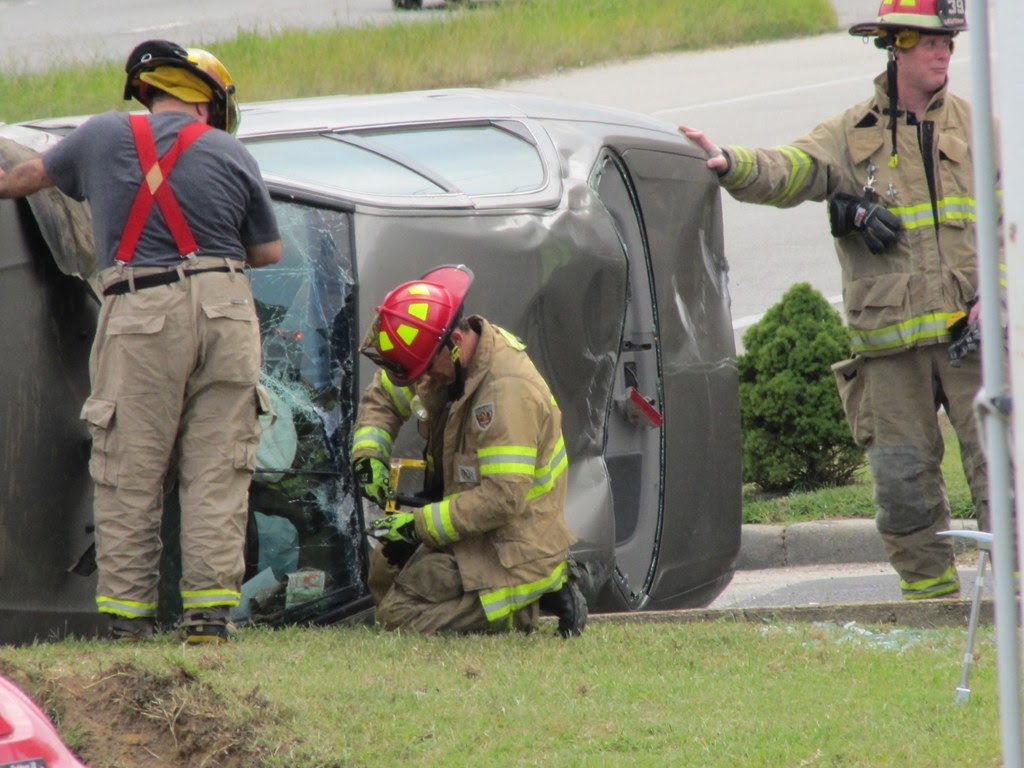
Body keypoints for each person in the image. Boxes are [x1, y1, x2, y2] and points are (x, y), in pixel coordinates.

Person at [681, 0, 991, 600]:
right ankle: (930, 602)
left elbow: (1010, 218)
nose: (942, 53)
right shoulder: (851, 136)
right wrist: (730, 163)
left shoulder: (978, 130)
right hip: (890, 348)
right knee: (902, 484)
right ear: (895, 46)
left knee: (1002, 471)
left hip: (969, 339)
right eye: (929, 42)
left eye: (948, 43)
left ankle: (1017, 600)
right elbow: (791, 168)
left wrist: (998, 299)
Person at [0, 40, 282, 641]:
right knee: (217, 467)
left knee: (130, 468)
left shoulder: (100, 136)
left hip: (143, 308)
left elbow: (20, 180)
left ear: (147, 95)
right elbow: (268, 252)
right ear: (207, 105)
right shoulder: (232, 153)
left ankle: (129, 624)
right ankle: (208, 618)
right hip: (228, 310)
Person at [351, 264, 587, 636]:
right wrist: (369, 457)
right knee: (383, 571)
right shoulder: (438, 356)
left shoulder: (507, 392)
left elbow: (501, 498)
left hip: (513, 541)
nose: (422, 382)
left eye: (426, 371)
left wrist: (416, 527)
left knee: (397, 618)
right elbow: (386, 393)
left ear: (455, 345)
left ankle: (534, 598)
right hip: (466, 524)